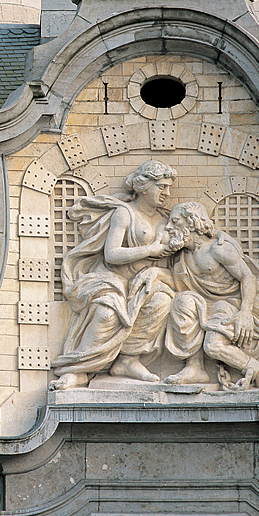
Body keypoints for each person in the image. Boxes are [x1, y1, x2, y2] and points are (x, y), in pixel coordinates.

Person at [50, 160, 178, 390]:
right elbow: (111, 254)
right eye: (161, 187)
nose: (166, 194)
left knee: (162, 300)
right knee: (108, 312)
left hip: (143, 281)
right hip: (111, 279)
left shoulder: (164, 220)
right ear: (143, 186)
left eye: (168, 188)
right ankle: (79, 369)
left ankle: (128, 360)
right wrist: (151, 250)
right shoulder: (125, 213)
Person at [137, 201, 259, 391]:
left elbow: (247, 277)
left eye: (175, 222)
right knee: (183, 300)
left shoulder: (217, 249)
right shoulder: (181, 255)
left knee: (213, 346)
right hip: (202, 304)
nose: (169, 227)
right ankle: (195, 368)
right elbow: (179, 283)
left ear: (191, 222)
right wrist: (156, 273)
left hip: (227, 303)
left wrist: (245, 312)